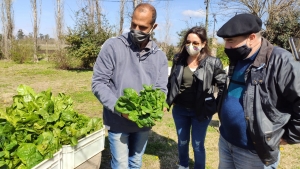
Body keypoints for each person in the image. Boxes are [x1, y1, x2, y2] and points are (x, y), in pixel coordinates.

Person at [216, 13, 300, 169]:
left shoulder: (281, 60)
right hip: (226, 141)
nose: (226, 47)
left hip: (255, 152)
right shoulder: (238, 58)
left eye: (230, 41)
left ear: (252, 38)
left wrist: (289, 136)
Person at [91, 3, 168, 169]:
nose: (136, 30)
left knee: (136, 162)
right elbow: (98, 83)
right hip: (117, 121)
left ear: (153, 27)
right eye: (133, 24)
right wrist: (120, 109)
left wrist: (159, 104)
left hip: (144, 122)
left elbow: (161, 88)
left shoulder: (159, 56)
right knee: (120, 164)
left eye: (143, 27)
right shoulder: (112, 47)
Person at [167, 26, 227, 169]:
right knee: (182, 141)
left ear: (203, 44)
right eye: (188, 42)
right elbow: (172, 81)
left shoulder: (212, 62)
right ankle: (183, 165)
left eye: (195, 43)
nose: (190, 46)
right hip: (180, 110)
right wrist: (171, 98)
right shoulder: (179, 59)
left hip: (201, 112)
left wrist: (215, 106)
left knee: (198, 144)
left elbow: (223, 86)